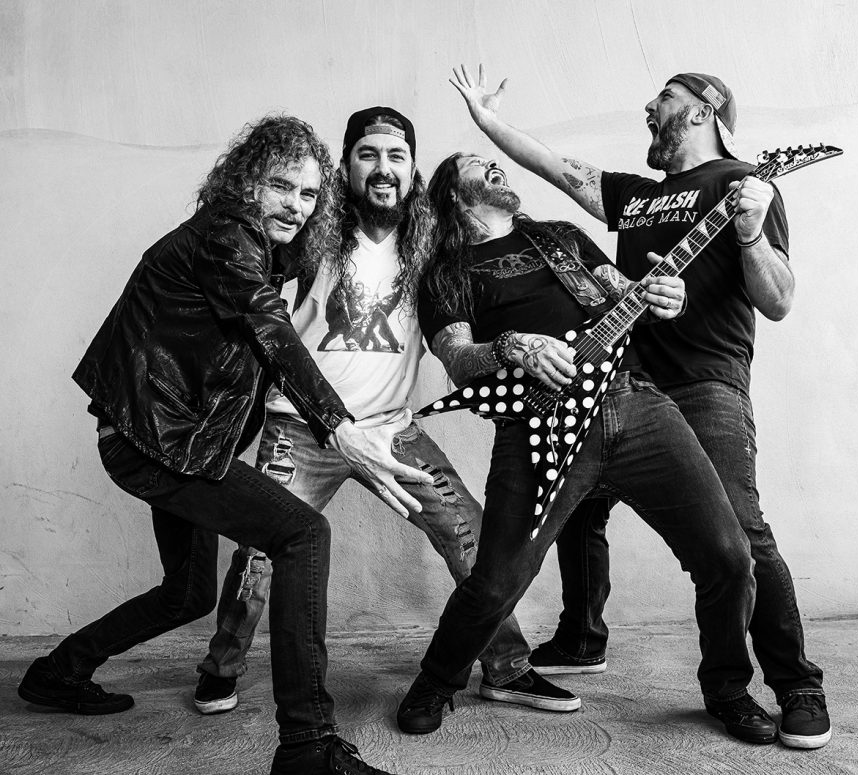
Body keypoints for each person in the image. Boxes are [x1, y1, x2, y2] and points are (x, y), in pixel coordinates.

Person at [17, 115, 428, 775]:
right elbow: (270, 327)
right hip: (157, 442)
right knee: (302, 534)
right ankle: (307, 752)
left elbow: (280, 287)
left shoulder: (261, 244)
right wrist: (338, 426)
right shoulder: (226, 236)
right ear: (245, 182)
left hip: (169, 442)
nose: (295, 206)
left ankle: (59, 671)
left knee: (187, 594)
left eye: (308, 193)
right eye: (280, 186)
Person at [449, 64, 831, 749]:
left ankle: (795, 682)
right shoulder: (638, 196)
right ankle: (581, 637)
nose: (648, 107)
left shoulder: (742, 184)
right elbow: (557, 169)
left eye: (663, 98)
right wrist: (487, 121)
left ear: (702, 109)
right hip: (618, 384)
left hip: (703, 383)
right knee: (574, 509)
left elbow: (778, 300)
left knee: (740, 535)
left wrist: (748, 231)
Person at [192, 107, 578, 720]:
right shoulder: (311, 233)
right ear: (345, 167)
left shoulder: (432, 248)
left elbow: (475, 300)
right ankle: (221, 669)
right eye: (368, 154)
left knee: (472, 537)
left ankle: (506, 666)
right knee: (258, 553)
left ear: (412, 169)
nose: (383, 168)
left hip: (393, 430)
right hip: (302, 427)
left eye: (397, 156)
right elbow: (246, 281)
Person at [396, 151, 768, 746]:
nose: (493, 165)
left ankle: (727, 689)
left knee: (728, 555)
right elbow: (459, 359)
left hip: (633, 404)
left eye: (494, 160)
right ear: (453, 194)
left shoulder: (560, 238)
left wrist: (662, 298)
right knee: (498, 579)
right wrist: (513, 346)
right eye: (475, 164)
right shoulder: (447, 271)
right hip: (537, 426)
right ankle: (436, 680)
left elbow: (628, 298)